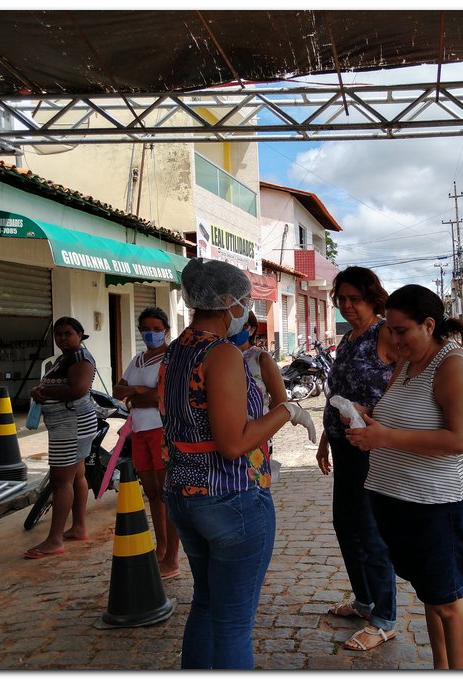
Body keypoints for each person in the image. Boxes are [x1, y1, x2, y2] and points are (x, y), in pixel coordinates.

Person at [158, 258, 317, 669]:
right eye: (245, 301)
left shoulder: (175, 350)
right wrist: (289, 412)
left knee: (207, 604)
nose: (247, 309)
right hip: (230, 497)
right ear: (228, 302)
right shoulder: (221, 353)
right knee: (232, 623)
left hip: (184, 494)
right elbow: (233, 444)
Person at [346, 284, 463, 669]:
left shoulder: (452, 365)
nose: (393, 338)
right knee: (431, 596)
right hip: (399, 499)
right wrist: (367, 421)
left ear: (428, 324)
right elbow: (394, 419)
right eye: (389, 329)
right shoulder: (408, 364)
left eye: (401, 329)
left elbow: (461, 438)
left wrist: (384, 436)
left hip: (439, 503)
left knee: (448, 601)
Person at [315, 266, 399, 652]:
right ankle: (363, 601)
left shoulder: (386, 334)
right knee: (345, 525)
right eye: (342, 300)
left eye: (355, 299)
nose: (348, 306)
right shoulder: (348, 339)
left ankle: (384, 618)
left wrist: (377, 415)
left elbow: (408, 384)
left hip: (372, 450)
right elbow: (337, 392)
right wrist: (324, 441)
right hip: (342, 445)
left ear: (372, 298)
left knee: (370, 531)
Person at [113, 306, 180, 579]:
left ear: (166, 330)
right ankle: (160, 547)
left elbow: (160, 396)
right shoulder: (138, 360)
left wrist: (136, 395)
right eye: (146, 329)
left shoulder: (170, 359)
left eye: (156, 328)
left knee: (168, 493)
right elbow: (118, 389)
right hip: (139, 432)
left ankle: (172, 557)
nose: (150, 333)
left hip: (161, 431)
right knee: (152, 493)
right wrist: (139, 392)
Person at [24, 317, 96, 559]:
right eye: (58, 334)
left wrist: (42, 391)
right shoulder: (62, 360)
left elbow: (78, 389)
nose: (62, 338)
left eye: (68, 333)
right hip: (66, 425)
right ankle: (78, 527)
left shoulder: (80, 359)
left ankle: (54, 540)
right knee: (76, 476)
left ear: (80, 335)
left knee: (60, 480)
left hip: (71, 424)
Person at [230, 311, 288, 479]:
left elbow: (280, 402)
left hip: (257, 437)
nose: (237, 329)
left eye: (244, 326)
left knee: (257, 488)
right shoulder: (220, 356)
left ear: (252, 329)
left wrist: (263, 425)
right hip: (229, 435)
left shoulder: (261, 358)